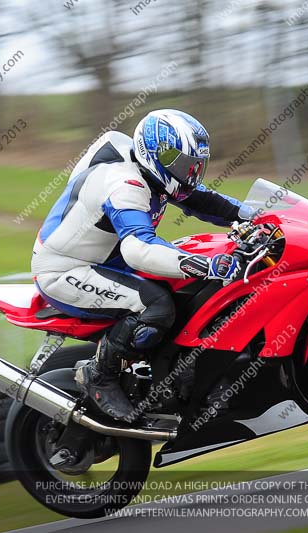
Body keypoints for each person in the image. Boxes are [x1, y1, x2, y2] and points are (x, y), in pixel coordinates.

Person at [31, 109, 254, 423]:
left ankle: (183, 375)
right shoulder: (125, 184)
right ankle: (100, 376)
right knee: (157, 305)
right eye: (183, 165)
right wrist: (206, 264)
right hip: (66, 270)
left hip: (109, 262)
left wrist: (257, 216)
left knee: (191, 293)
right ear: (155, 154)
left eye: (196, 166)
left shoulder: (154, 172)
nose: (190, 173)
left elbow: (203, 200)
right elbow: (138, 247)